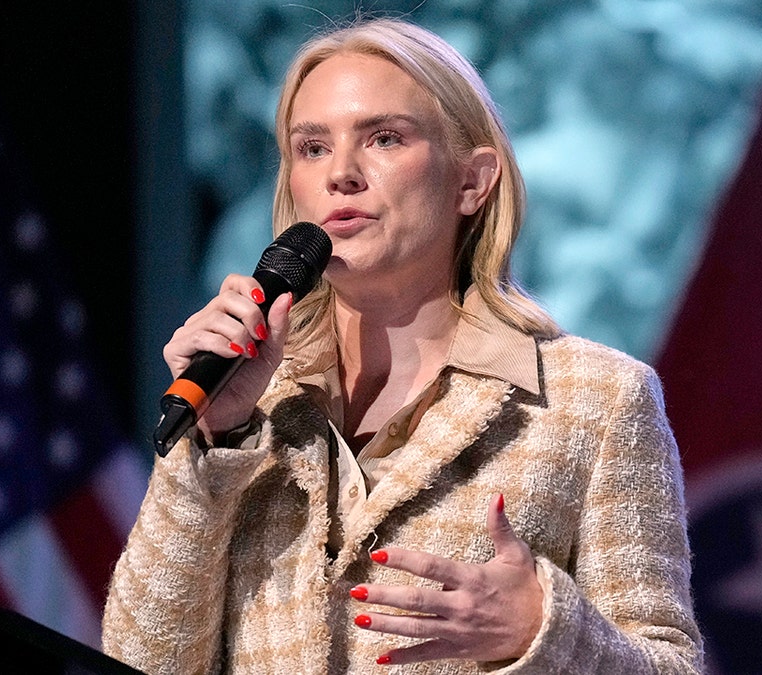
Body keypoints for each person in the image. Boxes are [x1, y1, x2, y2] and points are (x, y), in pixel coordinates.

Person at [102, 18, 702, 674]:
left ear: (473, 182)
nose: (342, 175)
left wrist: (540, 629)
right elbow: (141, 661)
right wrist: (214, 442)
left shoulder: (594, 399)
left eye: (384, 138)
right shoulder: (246, 404)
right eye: (312, 148)